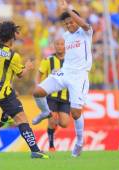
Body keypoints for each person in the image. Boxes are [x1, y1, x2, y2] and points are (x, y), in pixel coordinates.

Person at [0, 21, 49, 159]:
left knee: (14, 93)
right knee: (22, 118)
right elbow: (20, 75)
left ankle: (5, 116)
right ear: (11, 37)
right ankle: (35, 150)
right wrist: (28, 67)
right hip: (2, 94)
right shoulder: (13, 56)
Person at [32, 0, 93, 157]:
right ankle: (45, 112)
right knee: (38, 91)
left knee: (76, 114)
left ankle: (79, 142)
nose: (69, 25)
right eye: (66, 24)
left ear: (77, 20)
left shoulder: (86, 32)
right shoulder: (66, 36)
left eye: (71, 22)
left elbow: (83, 24)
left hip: (79, 76)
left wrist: (69, 10)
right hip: (65, 72)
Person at [36, 37, 70, 151]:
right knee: (51, 120)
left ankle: (54, 123)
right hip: (51, 96)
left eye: (62, 44)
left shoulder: (71, 61)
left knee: (64, 123)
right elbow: (39, 74)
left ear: (65, 46)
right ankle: (51, 145)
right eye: (57, 44)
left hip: (66, 96)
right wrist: (39, 88)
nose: (60, 46)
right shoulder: (48, 60)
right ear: (54, 46)